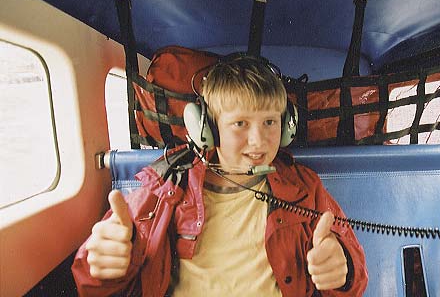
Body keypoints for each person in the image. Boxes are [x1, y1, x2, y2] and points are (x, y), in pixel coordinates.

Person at [72, 54, 368, 296]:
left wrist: (341, 268)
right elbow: (91, 279)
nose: (259, 140)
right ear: (207, 129)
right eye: (240, 123)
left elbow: (353, 276)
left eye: (269, 122)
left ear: (287, 125)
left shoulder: (304, 186)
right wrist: (103, 263)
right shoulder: (168, 183)